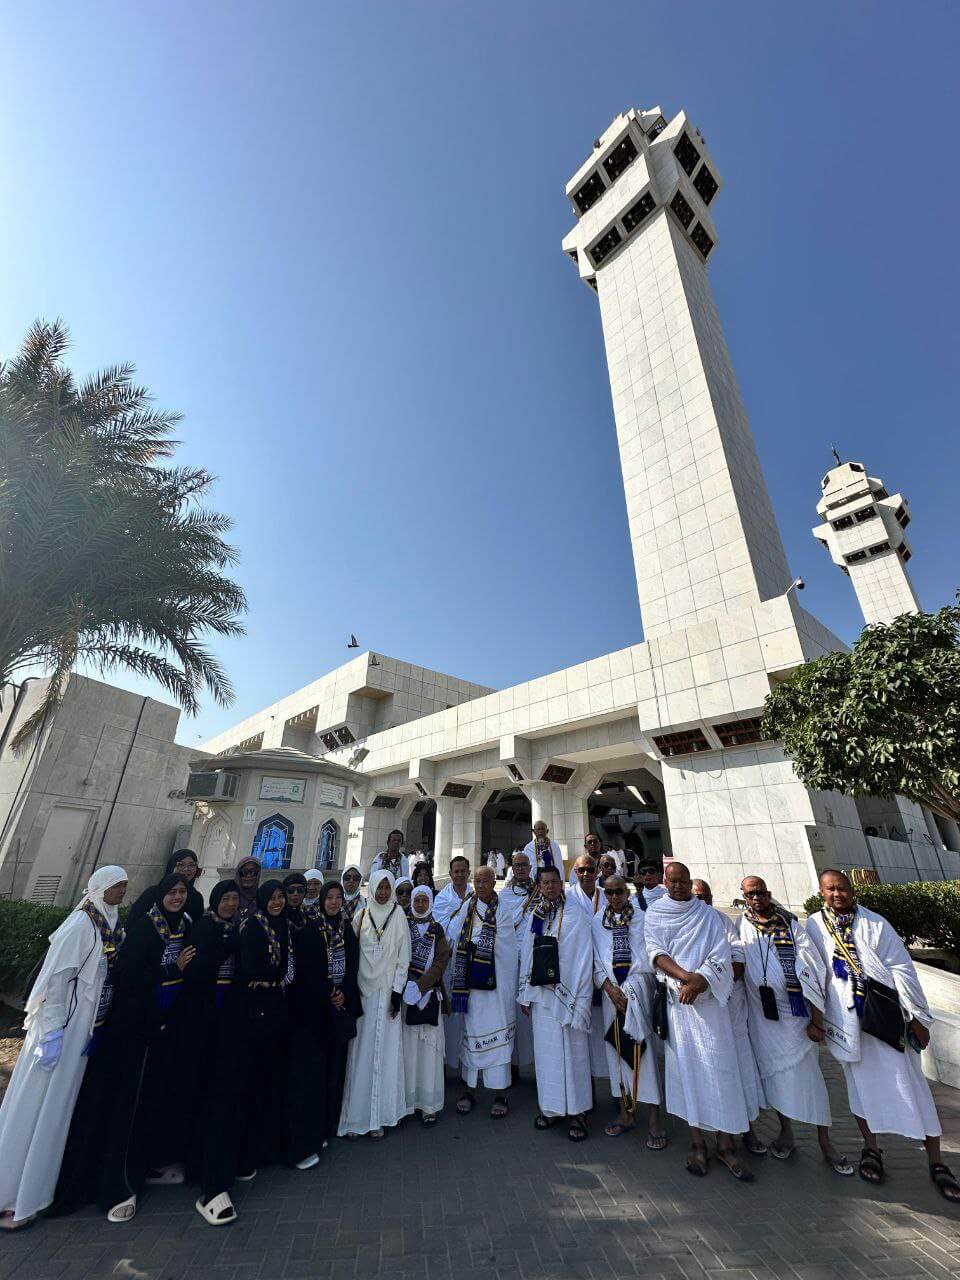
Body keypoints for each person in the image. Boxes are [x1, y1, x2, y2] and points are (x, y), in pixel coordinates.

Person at [807, 869, 960, 1200]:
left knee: (914, 1089)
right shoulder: (814, 926)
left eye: (842, 888)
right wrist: (818, 1018)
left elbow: (902, 969)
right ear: (821, 892)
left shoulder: (875, 923)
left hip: (888, 1022)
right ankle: (871, 1149)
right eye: (830, 889)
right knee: (860, 1092)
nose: (837, 894)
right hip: (849, 1024)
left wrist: (918, 1017)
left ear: (852, 890)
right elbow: (814, 974)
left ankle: (936, 1162)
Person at [53, 873, 197, 1222]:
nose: (178, 897)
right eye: (172, 892)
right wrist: (170, 969)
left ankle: (141, 1166)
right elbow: (130, 976)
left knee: (147, 1103)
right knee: (123, 1105)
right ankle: (115, 1183)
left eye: (182, 892)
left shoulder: (184, 926)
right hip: (133, 1029)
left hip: (162, 1027)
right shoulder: (145, 929)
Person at [0, 866, 128, 1231]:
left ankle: (37, 1190)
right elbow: (55, 981)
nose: (121, 892)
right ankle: (13, 1194)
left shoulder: (108, 922)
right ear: (101, 888)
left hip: (81, 1029)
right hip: (60, 1032)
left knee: (57, 1112)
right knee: (38, 1108)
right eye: (117, 886)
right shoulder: (79, 926)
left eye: (123, 887)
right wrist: (52, 1031)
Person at [644, 862, 753, 1181]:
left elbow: (722, 954)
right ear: (665, 882)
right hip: (679, 1005)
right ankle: (696, 1144)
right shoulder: (656, 913)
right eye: (672, 881)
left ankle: (726, 1144)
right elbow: (655, 952)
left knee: (721, 1071)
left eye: (683, 881)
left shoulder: (707, 915)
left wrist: (701, 980)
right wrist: (685, 979)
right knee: (688, 1072)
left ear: (690, 882)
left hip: (711, 1004)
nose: (678, 886)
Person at [736, 876, 851, 1175]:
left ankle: (825, 1142)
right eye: (750, 894)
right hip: (764, 1020)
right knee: (775, 1078)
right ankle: (785, 1131)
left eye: (760, 892)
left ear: (769, 893)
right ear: (744, 897)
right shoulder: (743, 926)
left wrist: (816, 1019)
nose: (756, 898)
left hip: (796, 1018)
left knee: (811, 1080)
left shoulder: (789, 925)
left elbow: (811, 967)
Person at [286, 880, 362, 1174]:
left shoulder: (346, 928)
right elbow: (308, 968)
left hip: (340, 1007)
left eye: (337, 897)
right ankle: (312, 1130)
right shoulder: (310, 927)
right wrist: (329, 990)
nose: (332, 902)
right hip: (317, 1010)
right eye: (328, 897)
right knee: (314, 1072)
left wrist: (344, 993)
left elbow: (354, 964)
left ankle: (331, 1123)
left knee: (336, 1067)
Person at [181, 880, 243, 1225]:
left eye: (235, 899)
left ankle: (214, 1174)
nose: (232, 904)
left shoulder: (235, 930)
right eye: (227, 898)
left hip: (228, 1025)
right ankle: (205, 1180)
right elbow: (195, 971)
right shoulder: (205, 930)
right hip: (201, 1023)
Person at [519, 865, 594, 1141]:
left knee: (573, 1054)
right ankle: (550, 1108)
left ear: (562, 884)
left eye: (554, 882)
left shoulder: (575, 913)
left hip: (569, 994)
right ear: (539, 886)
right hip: (541, 995)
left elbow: (583, 955)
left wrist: (578, 991)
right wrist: (525, 994)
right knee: (547, 1054)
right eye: (545, 882)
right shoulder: (535, 916)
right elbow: (527, 953)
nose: (550, 886)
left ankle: (577, 1112)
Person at [692, 877, 767, 1155]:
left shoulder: (723, 921)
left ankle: (747, 1127)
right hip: (702, 1012)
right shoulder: (684, 923)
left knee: (740, 1070)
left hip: (730, 1009)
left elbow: (737, 958)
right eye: (696, 896)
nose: (701, 901)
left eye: (705, 896)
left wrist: (710, 980)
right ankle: (710, 1133)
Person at [591, 875, 664, 1147]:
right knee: (618, 1053)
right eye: (608, 892)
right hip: (612, 996)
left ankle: (654, 1117)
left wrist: (631, 987)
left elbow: (651, 957)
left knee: (642, 1053)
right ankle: (626, 1113)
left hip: (638, 993)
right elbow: (596, 959)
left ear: (627, 891)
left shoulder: (643, 918)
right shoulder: (597, 922)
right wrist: (609, 988)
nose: (613, 897)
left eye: (618, 892)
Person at [339, 869, 411, 1139]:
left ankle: (381, 1115)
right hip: (364, 993)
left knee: (385, 1052)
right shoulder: (361, 915)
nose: (382, 893)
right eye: (378, 888)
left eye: (386, 888)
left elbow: (404, 957)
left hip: (386, 994)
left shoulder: (399, 916)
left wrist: (397, 992)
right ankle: (356, 1117)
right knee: (361, 1053)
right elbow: (352, 955)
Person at [448, 866, 518, 1119]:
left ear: (493, 883)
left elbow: (508, 946)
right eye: (476, 881)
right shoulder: (468, 907)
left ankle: (500, 1092)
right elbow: (454, 934)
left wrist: (479, 945)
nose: (480, 885)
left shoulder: (503, 910)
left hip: (495, 987)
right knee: (471, 1033)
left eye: (485, 881)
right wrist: (470, 945)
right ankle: (470, 1089)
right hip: (472, 987)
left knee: (498, 1039)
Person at [402, 886, 450, 1125]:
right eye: (416, 900)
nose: (420, 904)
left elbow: (442, 960)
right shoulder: (402, 926)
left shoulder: (437, 928)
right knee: (408, 1053)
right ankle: (407, 1103)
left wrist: (421, 985)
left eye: (424, 900)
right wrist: (407, 986)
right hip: (406, 997)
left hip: (429, 994)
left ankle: (428, 1105)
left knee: (429, 1055)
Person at [568, 854, 607, 1084]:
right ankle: (585, 1088)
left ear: (597, 871)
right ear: (574, 872)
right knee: (581, 1033)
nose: (585, 874)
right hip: (578, 970)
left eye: (590, 869)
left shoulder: (607, 895)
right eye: (581, 870)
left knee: (604, 1029)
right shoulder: (567, 897)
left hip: (604, 969)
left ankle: (614, 1087)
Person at [434, 854, 473, 1070]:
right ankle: (447, 1060)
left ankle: (467, 1061)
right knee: (449, 1010)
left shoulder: (476, 896)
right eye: (455, 871)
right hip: (449, 962)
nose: (459, 874)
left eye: (462, 871)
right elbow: (440, 929)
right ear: (450, 874)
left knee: (467, 1011)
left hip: (468, 959)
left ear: (468, 873)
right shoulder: (442, 899)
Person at [501, 850, 536, 1071]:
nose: (521, 868)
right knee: (512, 1010)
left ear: (530, 868)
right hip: (512, 959)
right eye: (517, 865)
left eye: (524, 865)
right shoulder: (504, 895)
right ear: (512, 868)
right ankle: (511, 1065)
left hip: (534, 958)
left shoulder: (540, 891)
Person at [126, 849, 204, 926]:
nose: (186, 869)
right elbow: (132, 924)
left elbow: (197, 929)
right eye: (181, 864)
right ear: (171, 866)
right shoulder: (152, 893)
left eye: (191, 865)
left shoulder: (196, 898)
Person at [235, 855, 261, 921]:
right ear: (238, 874)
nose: (248, 876)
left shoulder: (262, 898)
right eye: (244, 872)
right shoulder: (229, 895)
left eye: (253, 872)